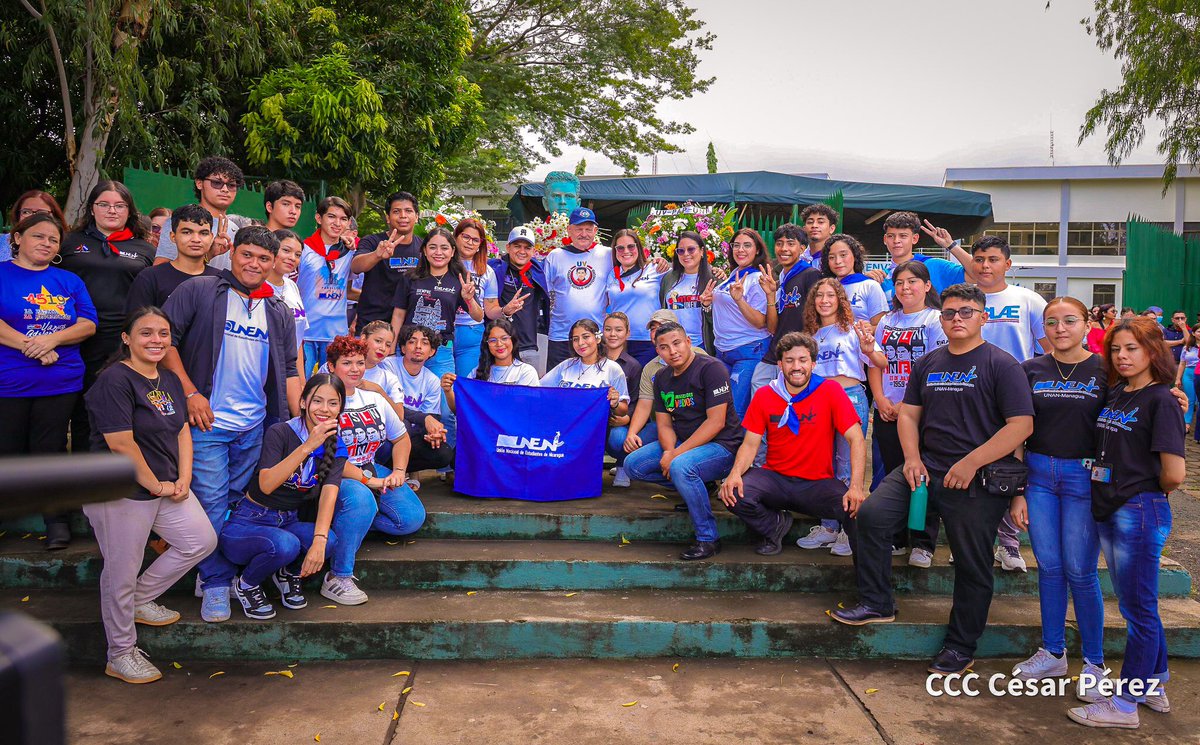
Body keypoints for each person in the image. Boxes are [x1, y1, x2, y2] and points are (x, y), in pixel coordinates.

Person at [832, 283, 1034, 678]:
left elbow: (1021, 425)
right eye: (949, 313)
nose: (956, 319)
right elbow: (908, 415)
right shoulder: (929, 362)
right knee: (870, 516)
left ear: (983, 317)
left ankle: (961, 647)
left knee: (973, 564)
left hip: (977, 480)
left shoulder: (1001, 364)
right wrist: (910, 459)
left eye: (966, 312)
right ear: (941, 319)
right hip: (925, 471)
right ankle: (877, 602)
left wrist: (971, 463)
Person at [161, 225, 299, 622]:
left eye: (263, 258)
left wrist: (293, 420)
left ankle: (220, 571)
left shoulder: (278, 309)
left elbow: (288, 367)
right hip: (206, 424)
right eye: (247, 255)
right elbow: (165, 342)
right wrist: (189, 393)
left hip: (253, 426)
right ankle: (217, 582)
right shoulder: (201, 290)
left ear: (273, 263)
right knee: (209, 505)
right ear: (232, 254)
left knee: (238, 508)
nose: (254, 264)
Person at [81, 307, 216, 683]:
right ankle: (120, 653)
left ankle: (141, 599)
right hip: (121, 490)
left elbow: (180, 431)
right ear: (126, 338)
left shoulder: (169, 378)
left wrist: (184, 477)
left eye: (162, 333)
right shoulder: (114, 381)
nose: (156, 340)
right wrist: (156, 485)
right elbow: (121, 444)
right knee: (120, 573)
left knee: (200, 541)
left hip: (166, 486)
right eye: (146, 333)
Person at [1066, 317, 1185, 729]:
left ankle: (1124, 705)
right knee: (1140, 605)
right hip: (1111, 507)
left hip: (1137, 510)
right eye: (1117, 349)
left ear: (1153, 351)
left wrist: (1145, 491)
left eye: (1132, 348)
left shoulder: (1161, 400)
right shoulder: (1119, 393)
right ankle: (1153, 682)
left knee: (1138, 611)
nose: (1122, 356)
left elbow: (1174, 473)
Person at [1005, 297, 1109, 690]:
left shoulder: (1105, 370)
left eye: (1069, 321)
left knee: (1081, 571)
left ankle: (1095, 664)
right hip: (1038, 476)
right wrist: (1017, 491)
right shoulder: (1030, 369)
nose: (1060, 328)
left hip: (1084, 477)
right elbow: (1017, 430)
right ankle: (1053, 653)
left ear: (1086, 324)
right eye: (1051, 322)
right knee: (1048, 567)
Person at [0, 214, 98, 549]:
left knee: (51, 450)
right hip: (9, 381)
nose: (46, 244)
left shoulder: (67, 280)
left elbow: (88, 324)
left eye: (53, 240)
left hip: (60, 381)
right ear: (17, 237)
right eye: (38, 236)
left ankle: (56, 520)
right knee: (7, 449)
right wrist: (33, 346)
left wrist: (52, 341)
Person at [720, 331, 866, 555]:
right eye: (789, 360)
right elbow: (750, 444)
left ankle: (867, 582)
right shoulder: (765, 395)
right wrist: (735, 473)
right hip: (775, 479)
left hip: (816, 484)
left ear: (813, 364)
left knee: (856, 509)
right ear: (780, 364)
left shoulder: (830, 391)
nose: (796, 366)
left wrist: (856, 486)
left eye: (802, 360)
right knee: (732, 493)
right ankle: (774, 526)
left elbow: (856, 438)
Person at [219, 373, 347, 620]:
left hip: (287, 521)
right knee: (285, 544)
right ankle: (246, 584)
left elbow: (329, 496)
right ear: (303, 402)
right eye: (317, 401)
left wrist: (319, 541)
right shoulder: (280, 432)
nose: (325, 409)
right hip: (249, 522)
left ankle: (288, 574)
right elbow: (266, 485)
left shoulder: (337, 444)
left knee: (328, 540)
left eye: (333, 403)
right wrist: (308, 446)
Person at [623, 321, 742, 561]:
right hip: (684, 445)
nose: (672, 351)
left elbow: (716, 422)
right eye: (664, 347)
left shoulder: (711, 369)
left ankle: (708, 538)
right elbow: (664, 423)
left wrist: (676, 455)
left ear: (689, 342)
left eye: (677, 343)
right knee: (633, 465)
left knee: (681, 467)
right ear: (658, 351)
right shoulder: (662, 377)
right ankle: (701, 485)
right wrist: (669, 451)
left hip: (722, 446)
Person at [323, 335, 423, 605]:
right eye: (346, 363)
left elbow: (401, 437)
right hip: (336, 473)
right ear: (331, 366)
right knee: (362, 500)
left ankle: (350, 522)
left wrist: (399, 471)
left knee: (410, 518)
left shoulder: (373, 398)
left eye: (359, 362)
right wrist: (369, 482)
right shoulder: (324, 399)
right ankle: (337, 576)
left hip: (371, 466)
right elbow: (331, 457)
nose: (355, 368)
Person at [60, 181, 155, 459]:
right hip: (74, 339)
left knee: (118, 413)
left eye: (120, 205)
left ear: (129, 211)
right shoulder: (69, 242)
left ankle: (117, 483)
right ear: (92, 208)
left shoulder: (144, 249)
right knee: (80, 412)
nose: (112, 210)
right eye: (104, 204)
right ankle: (79, 488)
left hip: (121, 343)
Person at [972, 234, 1049, 571]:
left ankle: (1008, 543)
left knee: (1012, 470)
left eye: (992, 259)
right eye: (979, 260)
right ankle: (972, 542)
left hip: (1015, 397)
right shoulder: (966, 300)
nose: (985, 266)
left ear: (1007, 264)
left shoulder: (1028, 299)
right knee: (973, 469)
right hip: (970, 396)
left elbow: (1049, 348)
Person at [797, 278, 886, 556]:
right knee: (824, 466)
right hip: (817, 402)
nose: (824, 300)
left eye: (830, 295)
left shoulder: (854, 330)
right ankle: (828, 526)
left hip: (849, 397)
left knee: (847, 466)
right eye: (818, 296)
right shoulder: (809, 336)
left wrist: (870, 347)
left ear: (840, 300)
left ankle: (849, 530)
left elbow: (880, 362)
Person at [871, 260, 946, 567]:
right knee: (894, 474)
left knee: (923, 474)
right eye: (900, 282)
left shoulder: (936, 320)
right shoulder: (886, 321)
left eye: (912, 281)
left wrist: (907, 405)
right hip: (887, 411)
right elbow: (875, 362)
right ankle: (899, 537)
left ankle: (924, 542)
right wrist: (881, 400)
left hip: (921, 412)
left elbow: (937, 368)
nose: (906, 288)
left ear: (927, 286)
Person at [615, 310, 707, 485]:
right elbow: (644, 404)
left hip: (698, 424)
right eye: (653, 328)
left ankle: (697, 473)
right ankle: (684, 480)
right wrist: (632, 433)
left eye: (662, 326)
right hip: (666, 424)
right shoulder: (651, 367)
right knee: (628, 452)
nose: (657, 331)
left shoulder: (699, 356)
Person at [361, 321, 450, 486]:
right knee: (403, 425)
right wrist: (423, 419)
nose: (418, 346)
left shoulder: (431, 380)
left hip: (410, 435)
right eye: (412, 341)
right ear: (402, 348)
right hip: (382, 431)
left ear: (432, 352)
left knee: (443, 453)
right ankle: (387, 473)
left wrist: (433, 433)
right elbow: (392, 410)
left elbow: (432, 418)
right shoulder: (387, 366)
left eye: (424, 343)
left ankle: (394, 471)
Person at [391, 228, 483, 383]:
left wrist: (469, 299)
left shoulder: (459, 280)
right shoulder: (410, 278)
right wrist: (392, 350)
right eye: (433, 247)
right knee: (404, 400)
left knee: (444, 403)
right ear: (425, 251)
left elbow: (478, 316)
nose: (438, 252)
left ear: (453, 251)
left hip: (441, 351)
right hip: (408, 348)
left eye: (444, 248)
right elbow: (398, 314)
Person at [749, 224, 822, 396]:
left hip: (796, 353)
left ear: (802, 248)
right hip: (776, 350)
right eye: (779, 243)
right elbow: (773, 328)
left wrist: (804, 350)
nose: (784, 249)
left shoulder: (810, 274)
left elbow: (817, 317)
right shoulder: (779, 277)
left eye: (790, 243)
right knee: (759, 386)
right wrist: (770, 295)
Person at [542, 207, 611, 370]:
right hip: (561, 335)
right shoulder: (555, 256)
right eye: (579, 229)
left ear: (595, 231)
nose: (584, 234)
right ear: (569, 230)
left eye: (588, 229)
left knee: (593, 383)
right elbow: (545, 293)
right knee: (558, 387)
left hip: (596, 336)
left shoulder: (608, 255)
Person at [712, 228, 771, 418]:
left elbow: (761, 322)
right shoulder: (735, 273)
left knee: (736, 412)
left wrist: (739, 300)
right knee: (722, 410)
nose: (740, 250)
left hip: (748, 350)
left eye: (747, 245)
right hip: (723, 351)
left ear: (757, 250)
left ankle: (737, 448)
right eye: (736, 245)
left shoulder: (757, 279)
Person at [125, 204, 222, 313]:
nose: (196, 239)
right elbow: (136, 323)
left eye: (203, 233)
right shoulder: (150, 278)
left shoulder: (220, 280)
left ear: (211, 237)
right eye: (187, 232)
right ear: (173, 236)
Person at [153, 156, 246, 269]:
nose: (225, 189)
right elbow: (160, 270)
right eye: (217, 183)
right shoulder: (181, 220)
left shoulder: (236, 230)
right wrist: (209, 254)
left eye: (231, 185)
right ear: (199, 183)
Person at [297, 196, 355, 371]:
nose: (337, 223)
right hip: (305, 331)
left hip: (335, 333)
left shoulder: (349, 251)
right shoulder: (303, 249)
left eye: (343, 219)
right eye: (331, 216)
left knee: (332, 384)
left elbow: (351, 288)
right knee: (304, 384)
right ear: (318, 218)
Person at [352, 191, 422, 327]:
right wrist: (377, 255)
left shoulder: (423, 247)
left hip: (408, 327)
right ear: (388, 217)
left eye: (408, 211)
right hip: (372, 324)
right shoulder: (372, 242)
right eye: (396, 211)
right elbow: (356, 266)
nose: (403, 216)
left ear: (416, 216)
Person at [867, 212, 976, 296]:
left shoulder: (934, 266)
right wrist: (865, 282)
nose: (896, 240)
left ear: (915, 238)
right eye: (891, 236)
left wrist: (951, 245)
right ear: (885, 239)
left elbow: (977, 275)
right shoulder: (881, 277)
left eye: (903, 236)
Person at [539, 319, 630, 418]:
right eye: (575, 339)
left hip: (593, 428)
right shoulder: (566, 365)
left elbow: (623, 410)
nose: (580, 343)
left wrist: (615, 403)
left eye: (586, 337)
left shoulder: (612, 368)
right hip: (563, 425)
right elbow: (539, 389)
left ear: (598, 339)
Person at [489, 226, 547, 369]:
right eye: (517, 246)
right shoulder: (494, 269)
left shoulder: (539, 271)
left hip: (529, 346)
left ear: (534, 251)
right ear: (508, 247)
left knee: (528, 391)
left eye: (527, 247)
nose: (522, 251)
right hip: (500, 346)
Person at [605, 228, 665, 365]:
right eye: (620, 248)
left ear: (639, 247)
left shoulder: (655, 269)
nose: (626, 251)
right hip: (619, 342)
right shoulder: (612, 275)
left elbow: (684, 273)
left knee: (645, 384)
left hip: (648, 341)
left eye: (631, 246)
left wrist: (715, 271)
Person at [452, 218, 502, 376]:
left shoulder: (487, 271)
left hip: (471, 333)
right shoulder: (442, 264)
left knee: (465, 383)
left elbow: (490, 310)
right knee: (442, 384)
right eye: (465, 237)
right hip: (445, 330)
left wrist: (505, 310)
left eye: (475, 240)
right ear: (456, 237)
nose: (470, 243)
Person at [660, 230, 715, 351]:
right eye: (681, 250)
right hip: (673, 346)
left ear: (701, 251)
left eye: (691, 249)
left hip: (701, 345)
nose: (686, 254)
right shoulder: (668, 279)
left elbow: (719, 319)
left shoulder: (713, 279)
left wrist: (707, 307)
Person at [267, 229, 309, 383]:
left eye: (298, 255)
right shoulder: (257, 286)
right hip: (267, 371)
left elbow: (297, 340)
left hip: (290, 372)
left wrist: (301, 380)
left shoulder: (292, 286)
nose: (292, 258)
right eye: (286, 250)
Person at [821, 234, 888, 325]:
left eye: (843, 255)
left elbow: (881, 327)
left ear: (855, 256)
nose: (838, 261)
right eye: (832, 257)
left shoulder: (870, 286)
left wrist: (869, 330)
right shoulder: (825, 287)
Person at [0, 190, 66, 263]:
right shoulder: (2, 242)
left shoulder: (66, 246)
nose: (33, 217)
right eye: (26, 212)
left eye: (41, 213)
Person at [798, 204, 839, 269]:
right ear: (804, 229)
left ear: (832, 228)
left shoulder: (839, 259)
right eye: (810, 222)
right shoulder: (799, 259)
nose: (814, 225)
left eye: (820, 222)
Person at [1176, 331, 1199, 435]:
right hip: (1189, 373)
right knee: (1190, 399)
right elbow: (1182, 363)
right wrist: (1178, 378)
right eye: (1198, 331)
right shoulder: (1187, 347)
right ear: (1193, 333)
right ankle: (1186, 423)